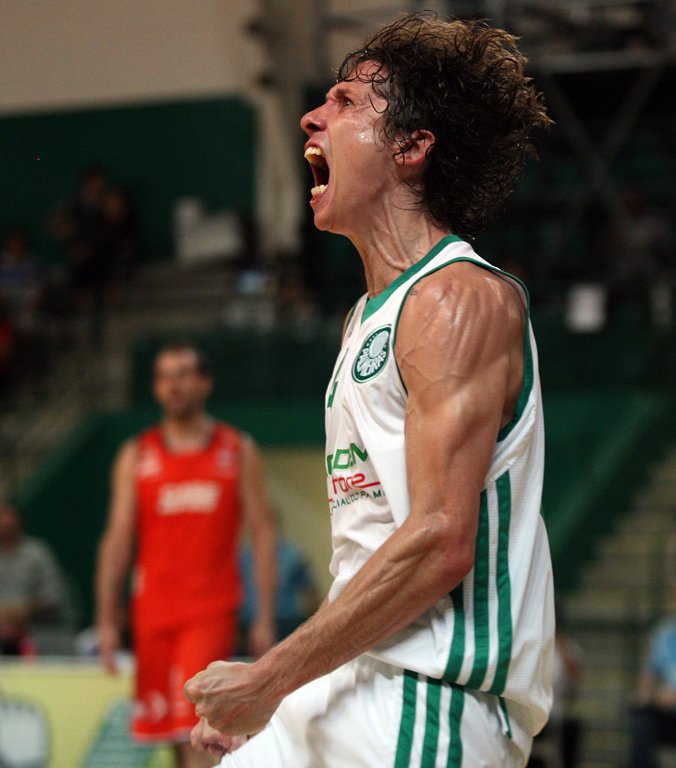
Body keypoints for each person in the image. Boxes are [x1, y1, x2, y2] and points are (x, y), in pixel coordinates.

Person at [185, 12, 555, 767]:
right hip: (358, 681)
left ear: (413, 147)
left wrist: (269, 677)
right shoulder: (367, 316)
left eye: (347, 103)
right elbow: (372, 555)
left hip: (429, 699)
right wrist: (284, 694)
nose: (311, 115)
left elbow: (438, 542)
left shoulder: (455, 298)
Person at [95, 342, 278, 768]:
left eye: (182, 374)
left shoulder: (236, 449)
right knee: (173, 742)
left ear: (204, 382)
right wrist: (106, 618)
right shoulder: (136, 454)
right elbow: (117, 539)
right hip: (153, 617)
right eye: (163, 376)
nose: (172, 385)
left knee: (202, 738)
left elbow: (263, 532)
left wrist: (265, 614)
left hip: (210, 613)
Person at [0, 503, 66, 656]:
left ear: (19, 520)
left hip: (34, 626)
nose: (4, 523)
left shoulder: (38, 553)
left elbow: (53, 596)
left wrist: (22, 613)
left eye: (7, 516)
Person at [628, 588, 676, 768]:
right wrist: (645, 694)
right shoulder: (664, 632)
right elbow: (648, 675)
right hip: (665, 711)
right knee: (641, 722)